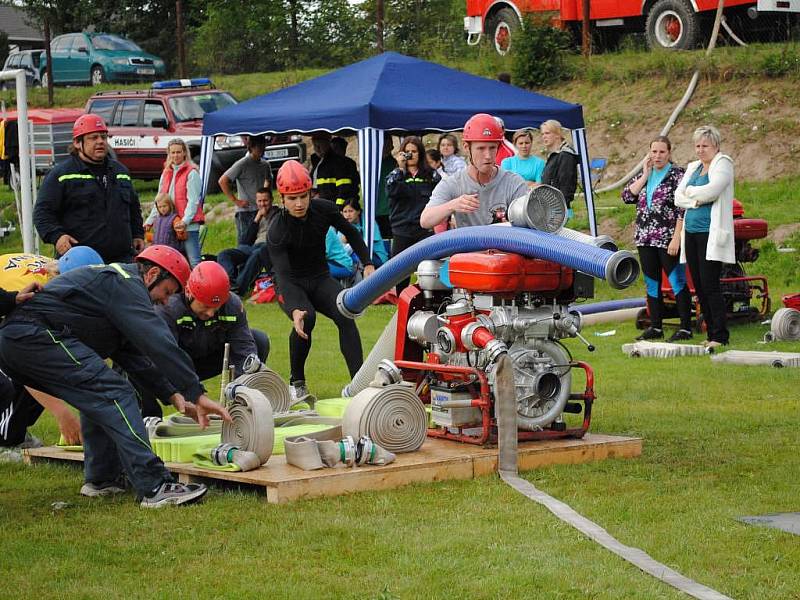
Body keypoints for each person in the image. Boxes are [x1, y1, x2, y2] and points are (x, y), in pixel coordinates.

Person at [0, 245, 231, 507]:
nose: (166, 301)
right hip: (32, 335)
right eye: (167, 291)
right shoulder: (124, 283)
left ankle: (102, 479)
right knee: (115, 393)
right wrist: (196, 392)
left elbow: (135, 356)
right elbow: (158, 341)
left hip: (22, 339)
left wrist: (175, 396)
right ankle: (155, 486)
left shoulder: (117, 290)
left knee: (102, 392)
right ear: (152, 273)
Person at [267, 160, 374, 400]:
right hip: (291, 284)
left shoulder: (324, 209)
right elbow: (283, 275)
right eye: (292, 198)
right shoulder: (277, 229)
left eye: (303, 196)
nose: (299, 203)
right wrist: (295, 309)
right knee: (307, 319)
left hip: (320, 278)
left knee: (345, 314)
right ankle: (297, 383)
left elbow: (352, 232)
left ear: (310, 194)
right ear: (282, 198)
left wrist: (367, 264)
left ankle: (358, 386)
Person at [0, 247, 103, 455]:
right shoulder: (38, 295)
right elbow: (22, 357)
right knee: (12, 376)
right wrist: (62, 413)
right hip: (7, 310)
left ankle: (15, 429)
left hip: (8, 301)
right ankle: (5, 441)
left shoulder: (61, 272)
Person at [134, 261, 270, 417]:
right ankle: (149, 417)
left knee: (259, 340)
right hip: (174, 363)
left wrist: (243, 389)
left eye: (216, 307)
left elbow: (244, 349)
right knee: (143, 357)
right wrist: (184, 395)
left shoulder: (232, 305)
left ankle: (240, 404)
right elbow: (161, 355)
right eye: (205, 306)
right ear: (189, 293)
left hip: (206, 359)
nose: (211, 313)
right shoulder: (169, 308)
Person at [34, 114, 144, 263]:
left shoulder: (120, 172)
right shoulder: (61, 175)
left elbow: (133, 207)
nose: (100, 142)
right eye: (93, 138)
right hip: (80, 263)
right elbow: (42, 214)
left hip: (122, 260)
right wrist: (57, 236)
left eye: (104, 137)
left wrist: (137, 234)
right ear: (78, 143)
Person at [622, 136, 692, 342]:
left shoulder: (678, 175)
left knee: (676, 280)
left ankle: (686, 327)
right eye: (654, 152)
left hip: (667, 237)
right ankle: (656, 326)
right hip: (645, 237)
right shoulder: (646, 174)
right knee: (651, 282)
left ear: (669, 153)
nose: (657, 156)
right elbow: (627, 196)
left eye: (662, 152)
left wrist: (677, 237)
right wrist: (645, 174)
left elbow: (683, 208)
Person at [675, 125, 735, 349]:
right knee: (699, 286)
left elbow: (713, 191)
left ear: (716, 146)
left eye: (705, 146)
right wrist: (695, 199)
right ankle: (710, 332)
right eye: (697, 146)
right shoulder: (693, 167)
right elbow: (677, 197)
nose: (700, 150)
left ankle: (720, 336)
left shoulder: (723, 163)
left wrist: (691, 194)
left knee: (710, 285)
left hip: (710, 233)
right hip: (690, 233)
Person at [421, 113, 528, 231]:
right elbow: (425, 220)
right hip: (469, 248)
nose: (488, 156)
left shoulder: (514, 182)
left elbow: (530, 223)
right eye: (481, 148)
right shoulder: (453, 183)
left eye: (492, 148)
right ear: (467, 147)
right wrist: (452, 205)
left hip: (505, 247)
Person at [386, 136, 440, 291]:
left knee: (430, 267)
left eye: (414, 151)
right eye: (407, 151)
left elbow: (441, 195)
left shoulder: (431, 175)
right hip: (402, 229)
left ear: (420, 153)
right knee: (400, 270)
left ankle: (430, 297)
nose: (410, 155)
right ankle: (401, 300)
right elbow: (391, 190)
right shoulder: (396, 175)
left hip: (424, 228)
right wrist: (401, 168)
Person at [144, 139, 202, 266]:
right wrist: (150, 220)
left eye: (179, 152)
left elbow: (193, 201)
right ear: (169, 154)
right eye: (173, 153)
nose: (176, 155)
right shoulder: (166, 173)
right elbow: (158, 200)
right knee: (171, 261)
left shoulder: (192, 173)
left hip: (188, 225)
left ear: (185, 153)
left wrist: (185, 221)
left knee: (194, 260)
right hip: (169, 224)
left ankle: (202, 284)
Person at [217, 187, 276, 295]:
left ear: (271, 200)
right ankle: (230, 283)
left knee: (258, 253)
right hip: (253, 247)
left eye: (265, 200)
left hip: (268, 247)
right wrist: (257, 219)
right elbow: (245, 241)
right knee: (224, 254)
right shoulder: (256, 216)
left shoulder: (278, 214)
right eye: (260, 201)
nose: (262, 204)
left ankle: (238, 289)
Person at [219, 135, 272, 245]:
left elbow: (269, 180)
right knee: (244, 243)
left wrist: (266, 198)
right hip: (245, 212)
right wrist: (236, 201)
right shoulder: (243, 163)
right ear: (251, 147)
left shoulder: (265, 164)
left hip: (260, 209)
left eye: (263, 146)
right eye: (258, 147)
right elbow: (223, 181)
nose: (262, 149)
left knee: (261, 241)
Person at [540, 119, 579, 219]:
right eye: (542, 134)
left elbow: (567, 185)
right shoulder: (555, 155)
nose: (544, 136)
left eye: (547, 133)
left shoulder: (566, 155)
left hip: (560, 210)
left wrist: (560, 209)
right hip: (550, 208)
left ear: (558, 134)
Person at [309, 131, 358, 208]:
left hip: (330, 208)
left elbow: (344, 189)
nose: (317, 149)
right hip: (319, 207)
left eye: (319, 145)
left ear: (328, 144)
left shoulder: (338, 162)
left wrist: (338, 208)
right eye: (315, 145)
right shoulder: (317, 162)